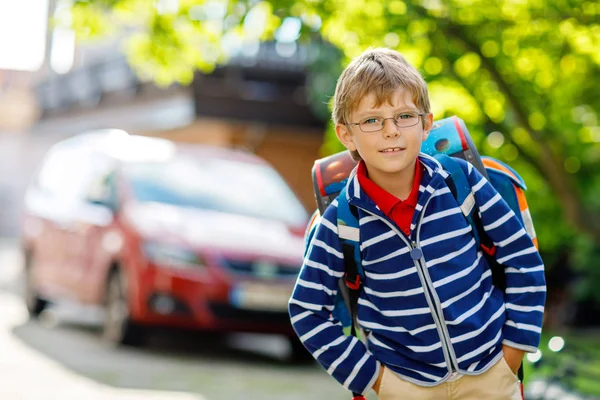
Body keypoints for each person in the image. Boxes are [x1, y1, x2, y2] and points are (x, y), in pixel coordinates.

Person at [288, 48, 546, 400]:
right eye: (372, 120)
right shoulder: (341, 222)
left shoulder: (461, 183)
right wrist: (379, 381)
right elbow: (306, 311)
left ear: (427, 123)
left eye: (404, 115)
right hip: (406, 387)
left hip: (492, 375)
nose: (391, 131)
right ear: (346, 135)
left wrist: (513, 354)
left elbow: (523, 259)